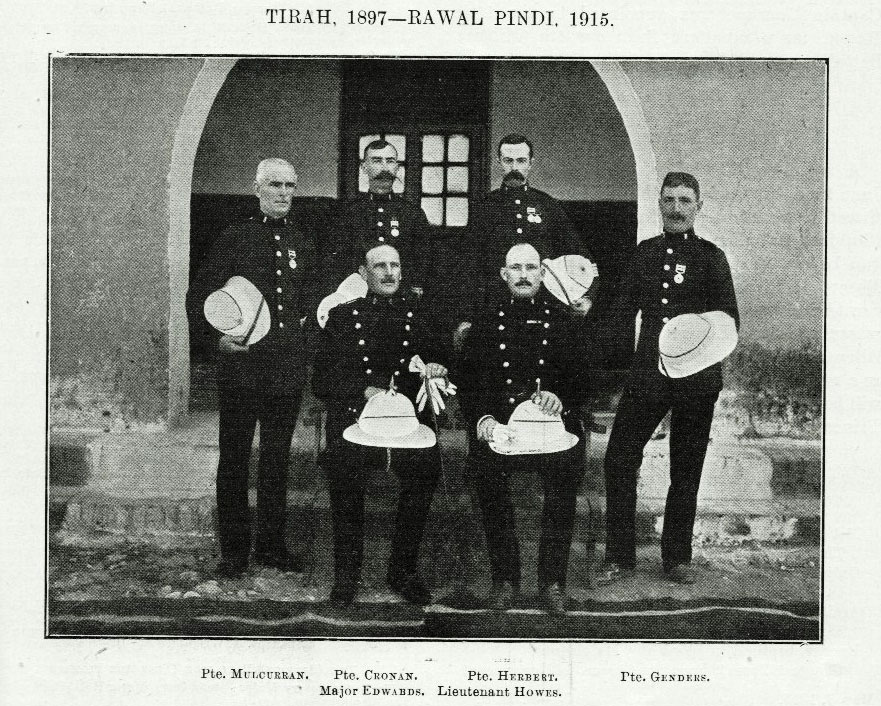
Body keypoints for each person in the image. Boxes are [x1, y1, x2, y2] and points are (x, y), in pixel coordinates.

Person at [599, 172, 739, 585]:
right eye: (669, 200)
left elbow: (729, 321)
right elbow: (624, 311)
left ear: (698, 206)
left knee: (687, 464)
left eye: (685, 200)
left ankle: (677, 557)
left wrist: (700, 354)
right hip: (649, 373)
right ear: (659, 204)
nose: (676, 208)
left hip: (696, 377)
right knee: (619, 457)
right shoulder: (644, 254)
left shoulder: (712, 257)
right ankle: (620, 556)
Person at [186, 158, 319, 578]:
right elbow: (200, 295)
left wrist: (306, 346)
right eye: (275, 185)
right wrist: (215, 341)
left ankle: (273, 548)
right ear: (257, 188)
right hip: (242, 370)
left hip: (285, 370)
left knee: (277, 459)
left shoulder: (302, 241)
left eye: (290, 186)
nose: (283, 193)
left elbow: (314, 304)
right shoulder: (235, 237)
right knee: (236, 459)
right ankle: (235, 552)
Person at [312, 242, 448, 607]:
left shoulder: (420, 316)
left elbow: (441, 362)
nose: (389, 273)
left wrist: (435, 370)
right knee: (345, 472)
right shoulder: (342, 317)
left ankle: (402, 569)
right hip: (356, 417)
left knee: (424, 470)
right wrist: (362, 389)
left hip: (406, 422)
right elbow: (322, 381)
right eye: (379, 266)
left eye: (395, 265)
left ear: (402, 272)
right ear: (362, 273)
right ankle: (347, 574)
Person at [458, 243, 589, 614]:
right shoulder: (486, 319)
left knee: (564, 477)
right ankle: (505, 579)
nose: (524, 275)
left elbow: (582, 379)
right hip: (501, 423)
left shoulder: (564, 320)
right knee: (488, 475)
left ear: (543, 274)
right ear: (504, 274)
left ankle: (552, 582)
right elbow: (470, 380)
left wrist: (561, 398)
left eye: (531, 267)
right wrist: (482, 418)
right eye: (515, 268)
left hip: (551, 424)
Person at [454, 133, 596, 350]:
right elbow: (467, 266)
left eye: (521, 161)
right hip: (495, 309)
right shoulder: (485, 207)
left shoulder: (547, 205)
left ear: (531, 163)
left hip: (544, 308)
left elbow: (580, 256)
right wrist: (465, 316)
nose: (514, 167)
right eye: (508, 161)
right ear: (499, 163)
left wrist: (585, 296)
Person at [324, 138, 433, 298]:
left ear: (397, 167)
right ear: (364, 167)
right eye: (376, 161)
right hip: (357, 298)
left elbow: (423, 262)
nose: (384, 167)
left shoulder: (412, 214)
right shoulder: (347, 213)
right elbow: (335, 263)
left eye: (390, 161)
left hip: (400, 300)